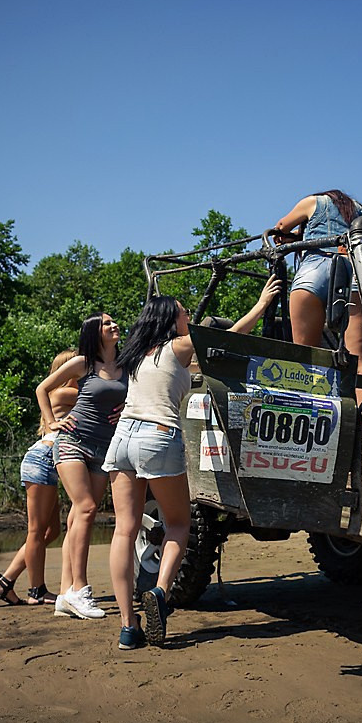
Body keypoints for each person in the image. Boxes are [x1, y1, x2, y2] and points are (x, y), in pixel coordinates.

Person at [104, 276, 282, 649]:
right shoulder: (180, 346)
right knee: (179, 525)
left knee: (124, 531)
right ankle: (160, 593)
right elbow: (229, 336)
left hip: (122, 439)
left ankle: (127, 626)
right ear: (172, 320)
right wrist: (263, 304)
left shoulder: (135, 354)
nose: (190, 316)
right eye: (185, 312)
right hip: (157, 435)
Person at [36, 312, 125, 619]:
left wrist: (126, 405)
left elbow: (138, 390)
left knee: (79, 517)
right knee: (85, 508)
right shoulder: (82, 363)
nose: (114, 325)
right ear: (94, 332)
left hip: (105, 447)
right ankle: (80, 590)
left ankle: (64, 595)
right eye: (106, 323)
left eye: (113, 321)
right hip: (73, 440)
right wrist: (51, 423)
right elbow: (42, 389)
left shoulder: (126, 364)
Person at [0, 348, 78, 607]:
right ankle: (36, 591)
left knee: (50, 531)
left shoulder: (64, 393)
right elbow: (99, 394)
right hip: (42, 460)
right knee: (37, 531)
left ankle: (5, 582)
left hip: (48, 462)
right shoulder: (63, 392)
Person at [273, 190, 362, 396]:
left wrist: (296, 237)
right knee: (359, 360)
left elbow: (280, 227)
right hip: (351, 270)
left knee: (306, 357)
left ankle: (309, 411)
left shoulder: (313, 202)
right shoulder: (360, 211)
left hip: (314, 269)